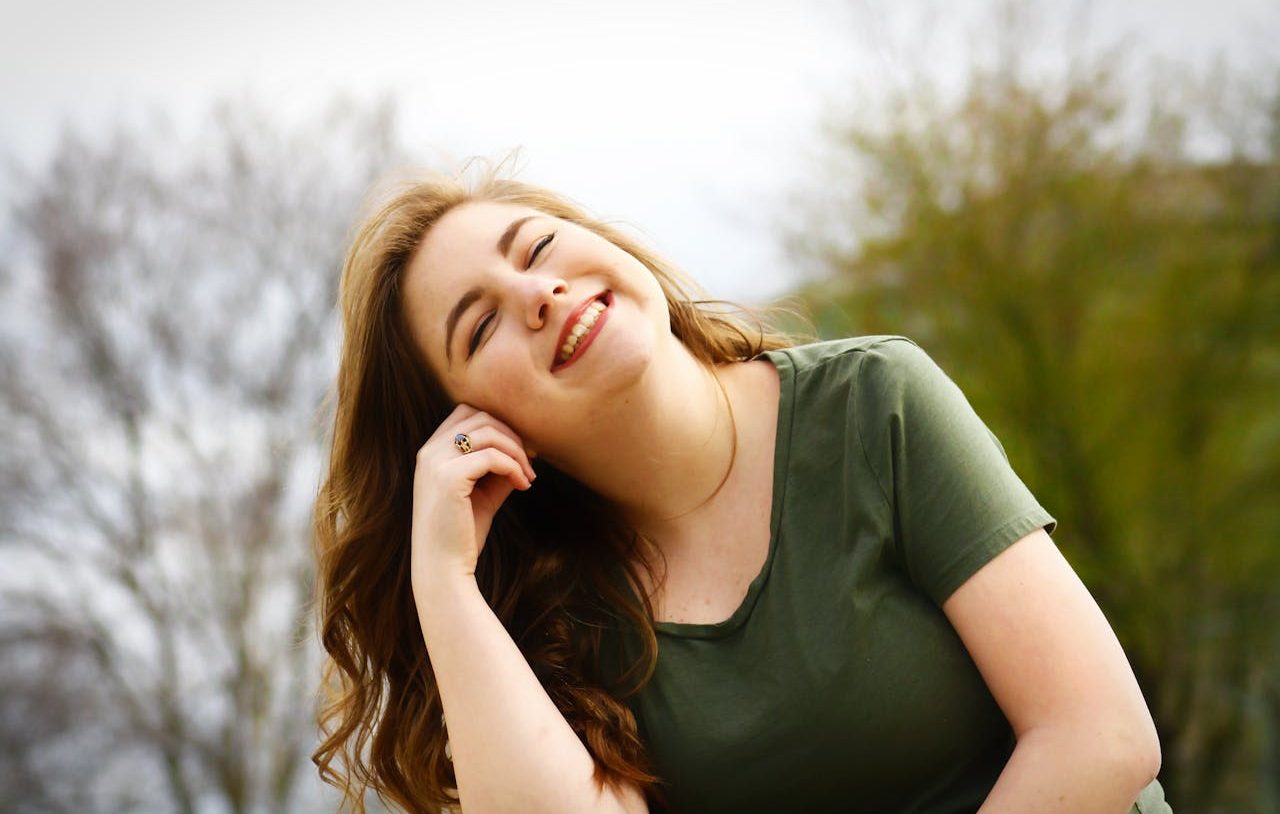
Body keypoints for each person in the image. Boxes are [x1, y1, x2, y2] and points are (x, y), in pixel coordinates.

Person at [311, 162, 1172, 814]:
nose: (538, 293)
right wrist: (445, 583)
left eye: (536, 248)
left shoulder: (874, 403)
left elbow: (1101, 736)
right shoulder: (548, 617)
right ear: (471, 424)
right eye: (482, 323)